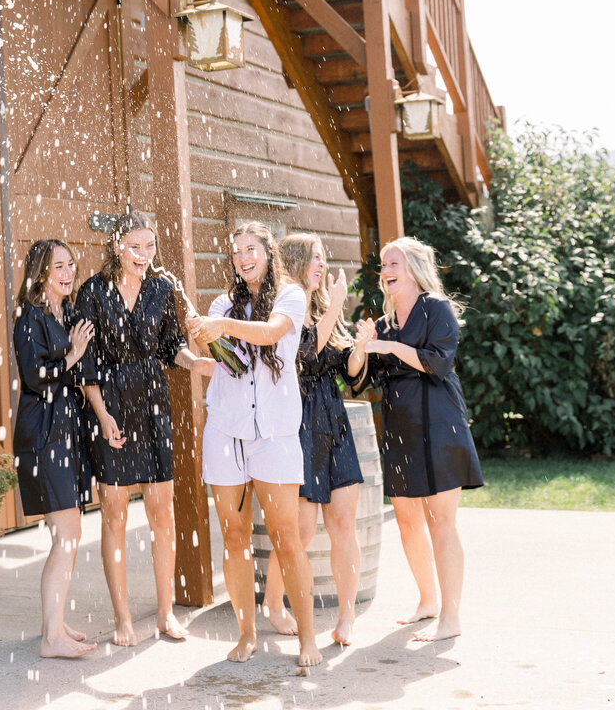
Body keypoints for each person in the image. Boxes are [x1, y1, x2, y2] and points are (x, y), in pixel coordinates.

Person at [186, 222, 322, 671]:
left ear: (269, 251)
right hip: (226, 428)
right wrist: (198, 334)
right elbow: (219, 357)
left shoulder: (291, 295)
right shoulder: (223, 301)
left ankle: (307, 640)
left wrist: (219, 324)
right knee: (233, 535)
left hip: (274, 433)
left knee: (285, 536)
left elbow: (270, 333)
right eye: (237, 250)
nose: (244, 257)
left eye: (252, 248)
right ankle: (246, 634)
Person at [75, 210, 214, 645]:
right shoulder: (92, 292)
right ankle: (123, 620)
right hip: (110, 403)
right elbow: (86, 363)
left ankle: (166, 614)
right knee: (115, 513)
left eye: (150, 246)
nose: (144, 255)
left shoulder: (160, 289)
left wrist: (198, 363)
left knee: (163, 513)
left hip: (154, 403)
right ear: (117, 246)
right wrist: (102, 414)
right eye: (136, 247)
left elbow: (172, 347)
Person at [348, 236, 483, 642]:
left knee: (441, 521)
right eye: (384, 266)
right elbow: (358, 379)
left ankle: (451, 617)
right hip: (401, 430)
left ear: (415, 269)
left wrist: (386, 345)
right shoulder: (384, 325)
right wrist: (361, 347)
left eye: (394, 264)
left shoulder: (437, 309)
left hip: (440, 425)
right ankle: (428, 602)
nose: (386, 271)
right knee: (408, 522)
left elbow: (438, 362)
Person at [262, 233, 363, 646]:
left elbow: (350, 373)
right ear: (297, 261)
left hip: (333, 420)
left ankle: (347, 616)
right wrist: (337, 304)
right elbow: (302, 355)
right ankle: (272, 602)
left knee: (343, 523)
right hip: (298, 423)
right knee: (299, 531)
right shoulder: (283, 309)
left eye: (324, 259)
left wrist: (363, 347)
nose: (322, 266)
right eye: (316, 259)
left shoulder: (324, 309)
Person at [12, 238, 97, 659]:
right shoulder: (30, 318)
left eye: (70, 265)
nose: (68, 273)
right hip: (44, 437)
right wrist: (73, 356)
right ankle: (50, 640)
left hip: (65, 433)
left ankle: (55, 623)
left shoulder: (66, 314)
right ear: (41, 273)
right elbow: (35, 376)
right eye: (58, 266)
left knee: (66, 534)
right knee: (67, 534)